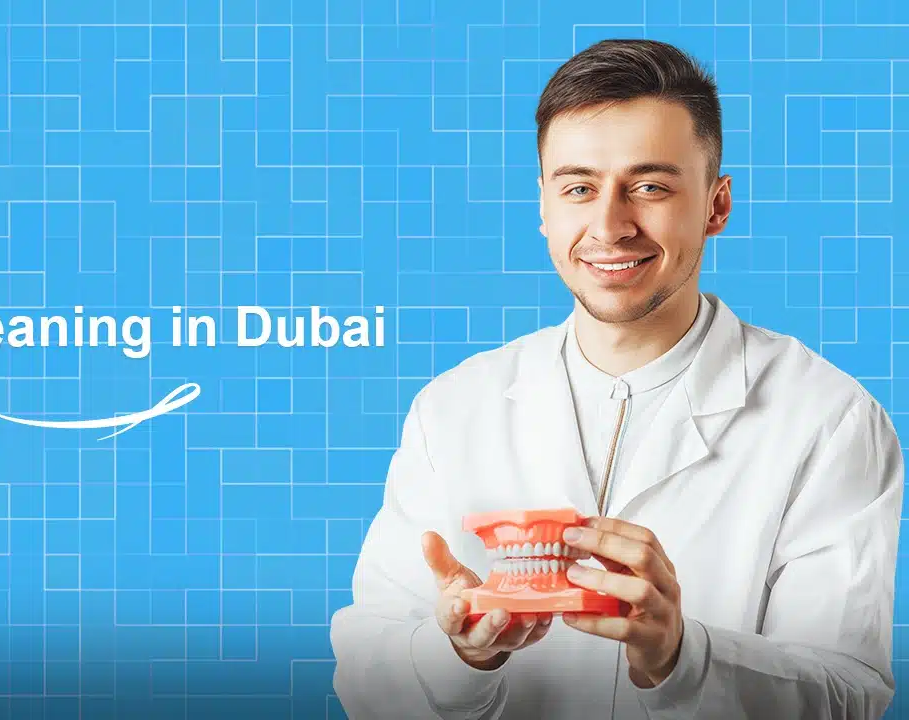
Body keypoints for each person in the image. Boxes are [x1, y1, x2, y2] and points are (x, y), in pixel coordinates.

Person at [329, 38, 903, 720]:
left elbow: (850, 696)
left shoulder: (826, 420)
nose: (609, 225)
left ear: (717, 206)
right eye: (578, 188)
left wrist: (683, 658)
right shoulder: (453, 409)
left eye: (650, 187)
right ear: (544, 206)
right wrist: (459, 656)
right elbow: (364, 676)